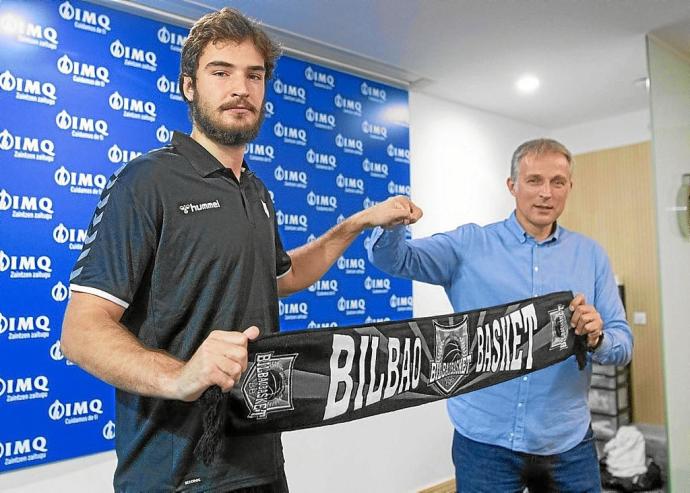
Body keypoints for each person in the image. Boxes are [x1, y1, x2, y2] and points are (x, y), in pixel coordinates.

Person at [60, 7, 420, 493]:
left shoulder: (256, 191)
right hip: (174, 475)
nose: (241, 88)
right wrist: (181, 376)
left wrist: (355, 224)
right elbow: (81, 333)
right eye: (221, 72)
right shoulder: (146, 181)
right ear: (189, 86)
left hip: (260, 456)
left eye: (254, 75)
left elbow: (282, 277)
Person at [368, 138, 633, 492]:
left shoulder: (591, 256)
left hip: (567, 440)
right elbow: (394, 259)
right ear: (513, 186)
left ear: (570, 187)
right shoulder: (468, 246)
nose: (546, 194)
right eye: (534, 180)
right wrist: (391, 225)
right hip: (484, 440)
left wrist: (598, 336)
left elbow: (623, 343)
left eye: (558, 182)